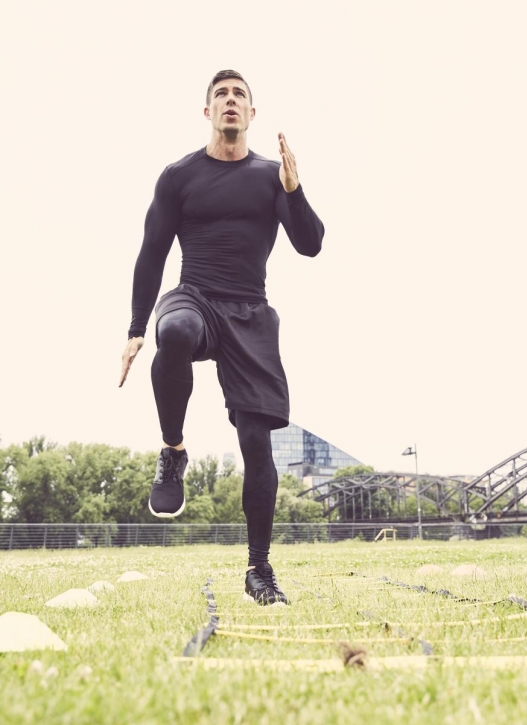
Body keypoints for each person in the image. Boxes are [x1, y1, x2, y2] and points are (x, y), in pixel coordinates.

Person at [119, 70, 324, 605]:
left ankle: (259, 570)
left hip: (250, 311)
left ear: (252, 114)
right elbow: (152, 252)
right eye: (221, 94)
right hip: (195, 295)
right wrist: (137, 328)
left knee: (257, 443)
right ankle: (173, 450)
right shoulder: (178, 176)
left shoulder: (271, 176)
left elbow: (310, 244)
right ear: (207, 111)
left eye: (239, 95)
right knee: (175, 331)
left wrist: (294, 190)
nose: (230, 101)